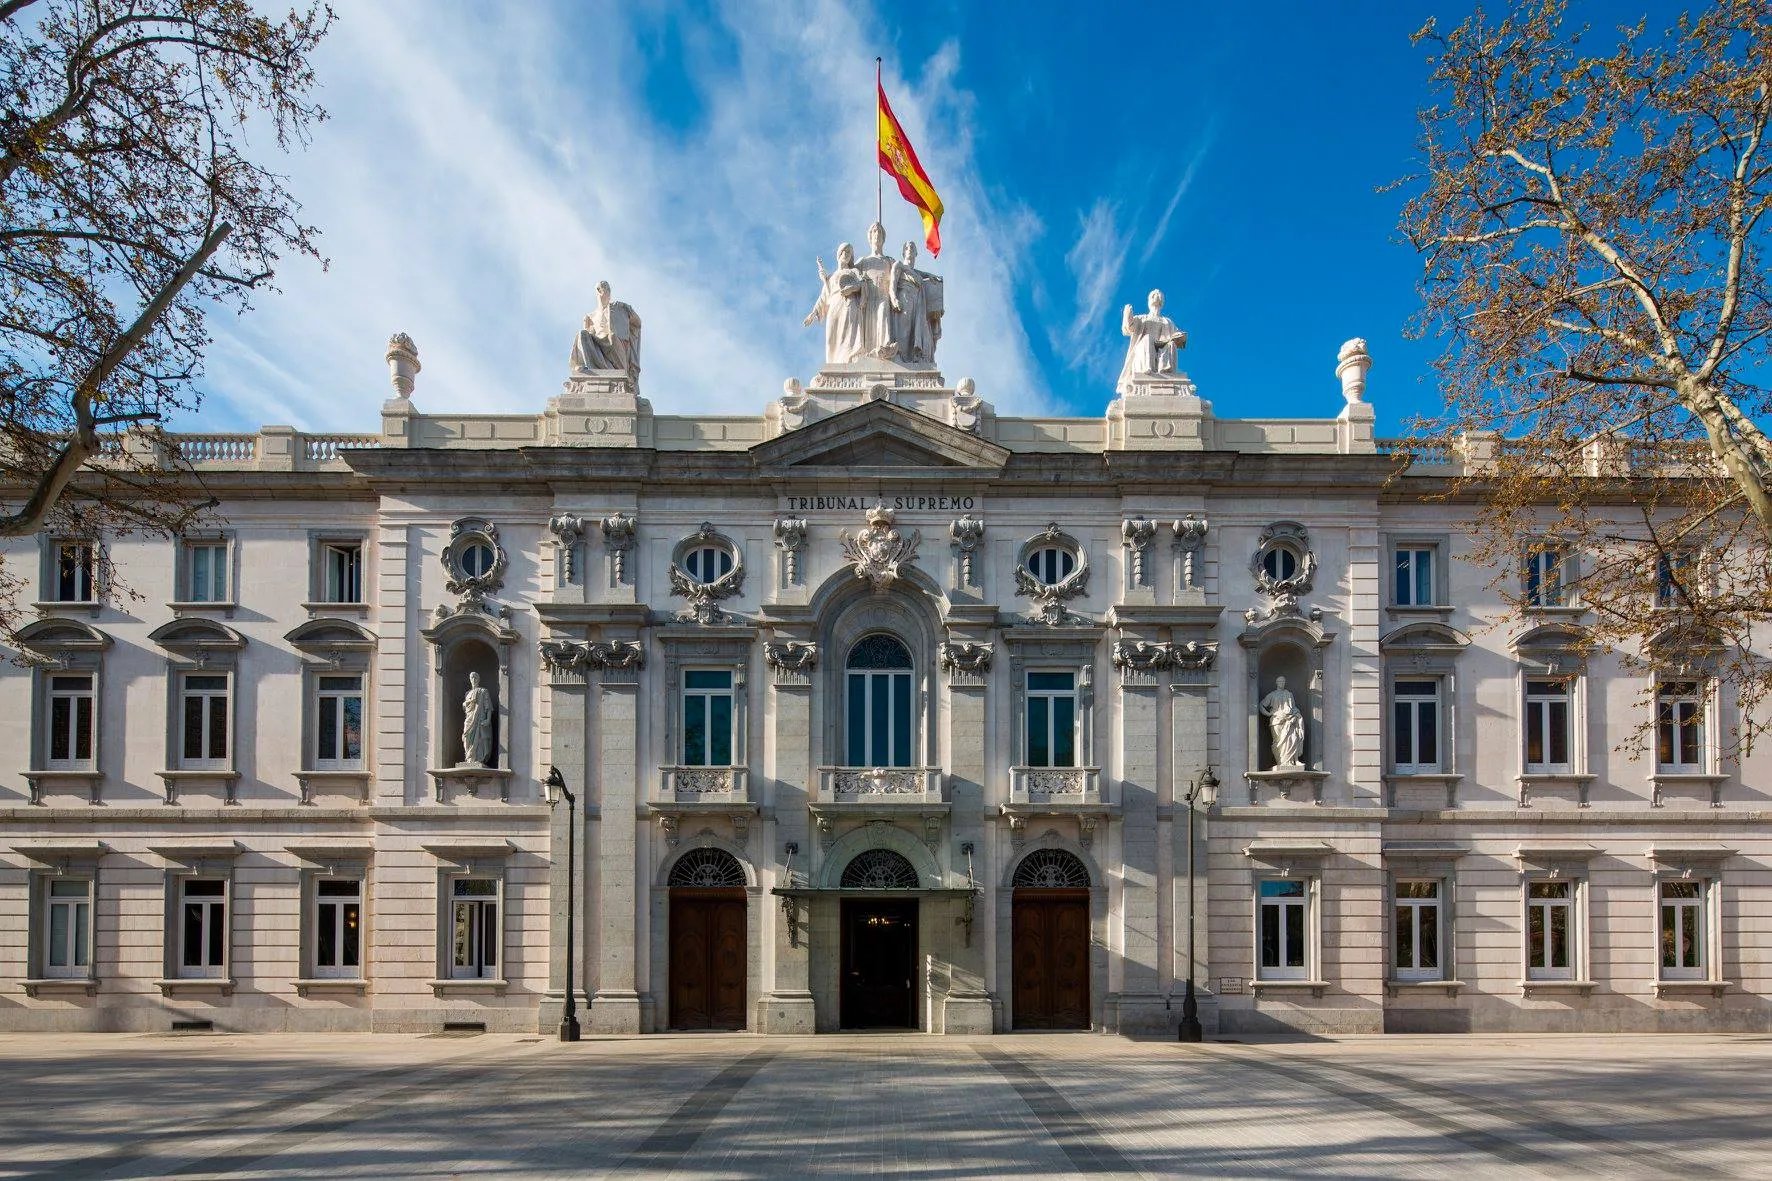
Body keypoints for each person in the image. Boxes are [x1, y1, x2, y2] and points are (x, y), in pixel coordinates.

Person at [804, 244, 868, 363]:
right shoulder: (831, 277)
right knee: (831, 337)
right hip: (834, 305)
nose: (847, 254)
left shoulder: (853, 271)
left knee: (848, 334)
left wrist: (852, 288)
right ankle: (834, 362)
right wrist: (813, 313)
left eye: (849, 253)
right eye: (845, 251)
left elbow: (862, 284)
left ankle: (850, 360)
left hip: (849, 303)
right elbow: (824, 296)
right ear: (839, 254)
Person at [1116, 288, 1187, 394]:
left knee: (1170, 344)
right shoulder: (1142, 318)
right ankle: (1147, 370)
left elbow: (1176, 336)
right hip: (1144, 347)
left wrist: (1179, 337)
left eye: (1159, 295)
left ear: (1162, 301)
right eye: (1153, 295)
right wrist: (1127, 314)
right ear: (1149, 301)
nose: (1156, 296)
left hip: (1163, 348)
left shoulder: (1167, 321)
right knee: (1147, 339)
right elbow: (1128, 329)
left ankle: (1165, 371)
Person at [570, 281, 643, 377]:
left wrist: (629, 311)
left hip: (616, 347)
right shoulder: (590, 317)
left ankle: (616, 371)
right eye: (603, 288)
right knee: (581, 334)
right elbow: (588, 339)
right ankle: (581, 366)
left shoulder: (618, 307)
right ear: (598, 291)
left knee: (612, 337)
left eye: (608, 289)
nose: (607, 292)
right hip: (598, 347)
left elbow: (637, 323)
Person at [894, 240, 942, 363]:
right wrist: (893, 298)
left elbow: (918, 273)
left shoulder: (916, 273)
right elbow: (892, 283)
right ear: (903, 252)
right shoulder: (899, 265)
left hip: (919, 303)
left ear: (916, 253)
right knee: (904, 330)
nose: (910, 248)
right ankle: (900, 357)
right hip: (904, 299)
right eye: (907, 247)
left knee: (916, 331)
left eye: (912, 247)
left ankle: (914, 357)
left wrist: (929, 275)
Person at [1259, 676, 1305, 768]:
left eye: (1283, 682)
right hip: (1277, 721)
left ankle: (1294, 761)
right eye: (1280, 681)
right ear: (1277, 683)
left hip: (1289, 720)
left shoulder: (1289, 694)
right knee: (1279, 742)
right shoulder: (1272, 695)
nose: (1282, 683)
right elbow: (1261, 705)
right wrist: (1269, 714)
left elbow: (1293, 707)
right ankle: (1281, 762)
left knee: (1293, 739)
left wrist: (1297, 714)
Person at [461, 671, 493, 768]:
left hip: (480, 718)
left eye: (475, 677)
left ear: (478, 679)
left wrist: (488, 719)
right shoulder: (467, 693)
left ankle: (478, 759)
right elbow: (465, 708)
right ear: (470, 680)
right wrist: (466, 703)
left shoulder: (483, 691)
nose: (474, 679)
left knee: (480, 738)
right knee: (466, 736)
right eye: (472, 677)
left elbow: (488, 706)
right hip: (469, 718)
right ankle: (469, 757)